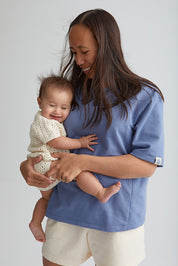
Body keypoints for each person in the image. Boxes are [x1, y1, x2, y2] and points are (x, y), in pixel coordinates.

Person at [20, 9, 164, 266]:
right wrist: (26, 167)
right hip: (65, 209)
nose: (78, 61)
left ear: (107, 46)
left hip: (116, 219)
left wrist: (83, 162)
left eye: (84, 52)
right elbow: (46, 137)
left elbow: (146, 165)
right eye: (74, 52)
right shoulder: (69, 94)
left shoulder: (145, 97)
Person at [28, 75, 121, 243]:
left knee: (46, 198)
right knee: (79, 172)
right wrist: (80, 142)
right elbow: (56, 141)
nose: (58, 111)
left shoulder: (48, 119)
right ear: (39, 102)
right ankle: (100, 192)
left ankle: (35, 222)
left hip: (41, 164)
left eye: (64, 107)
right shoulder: (43, 122)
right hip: (45, 162)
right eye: (51, 105)